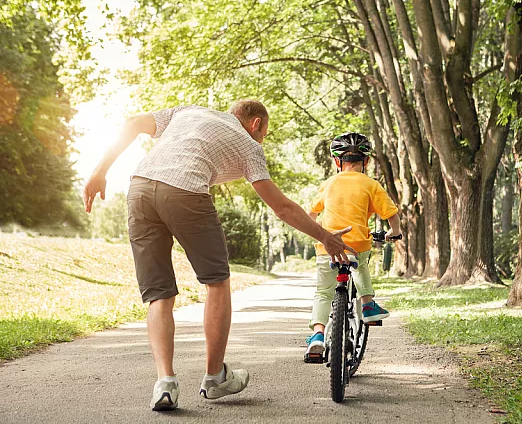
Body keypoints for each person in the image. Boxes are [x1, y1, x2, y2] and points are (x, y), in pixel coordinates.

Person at [82, 101, 356, 411]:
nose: (262, 140)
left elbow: (132, 122)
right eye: (264, 133)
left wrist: (99, 171)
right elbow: (282, 207)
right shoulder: (248, 144)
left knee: (159, 293)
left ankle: (165, 382)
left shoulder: (188, 111)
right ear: (255, 124)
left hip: (140, 190)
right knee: (216, 282)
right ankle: (214, 378)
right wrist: (325, 237)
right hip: (185, 192)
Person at [304, 132, 401, 359]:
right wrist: (393, 233)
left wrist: (317, 233)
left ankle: (318, 335)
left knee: (323, 292)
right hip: (357, 243)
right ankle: (367, 304)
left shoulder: (329, 183)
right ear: (366, 161)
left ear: (337, 162)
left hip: (327, 245)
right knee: (361, 266)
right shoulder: (371, 184)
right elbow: (391, 214)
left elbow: (311, 213)